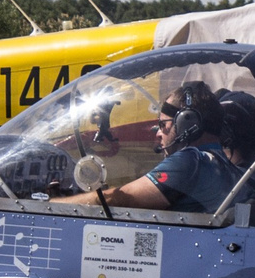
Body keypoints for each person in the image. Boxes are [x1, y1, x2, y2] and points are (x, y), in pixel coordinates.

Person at [60, 81, 243, 213]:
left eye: (163, 125)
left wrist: (52, 203)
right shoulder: (222, 164)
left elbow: (120, 199)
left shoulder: (191, 160)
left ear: (188, 123)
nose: (158, 133)